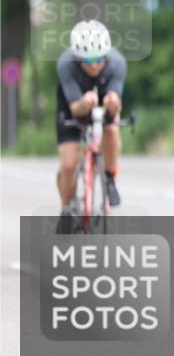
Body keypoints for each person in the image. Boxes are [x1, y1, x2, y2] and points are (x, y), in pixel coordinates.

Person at [55, 20, 127, 229]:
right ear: (77, 58)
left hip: (103, 98)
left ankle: (110, 178)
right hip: (73, 103)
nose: (94, 64)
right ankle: (67, 210)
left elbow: (115, 104)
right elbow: (75, 109)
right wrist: (84, 104)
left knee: (112, 129)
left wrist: (113, 103)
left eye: (98, 58)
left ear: (106, 54)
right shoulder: (65, 64)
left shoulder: (117, 63)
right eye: (87, 60)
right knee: (69, 164)